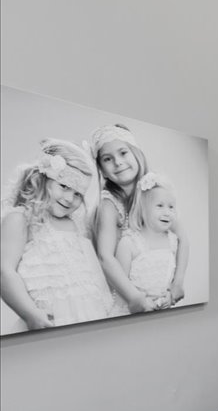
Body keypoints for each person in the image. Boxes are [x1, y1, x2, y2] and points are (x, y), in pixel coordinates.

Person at [0, 139, 113, 330]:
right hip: (47, 322)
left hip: (87, 317)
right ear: (43, 179)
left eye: (78, 194)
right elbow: (5, 271)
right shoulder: (21, 219)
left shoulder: (77, 225)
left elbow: (93, 276)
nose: (70, 199)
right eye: (64, 186)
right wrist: (31, 315)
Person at [90, 124, 189, 313]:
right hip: (127, 295)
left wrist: (178, 283)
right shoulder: (108, 205)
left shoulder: (156, 191)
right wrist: (134, 297)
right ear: (101, 168)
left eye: (123, 153)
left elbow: (183, 239)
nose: (118, 162)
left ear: (137, 153)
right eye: (107, 159)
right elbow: (105, 257)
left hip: (159, 293)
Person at [115, 174, 181, 309]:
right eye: (160, 205)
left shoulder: (172, 241)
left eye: (171, 206)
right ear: (143, 209)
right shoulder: (129, 243)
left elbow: (170, 280)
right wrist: (141, 303)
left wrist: (169, 296)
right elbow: (120, 287)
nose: (167, 212)